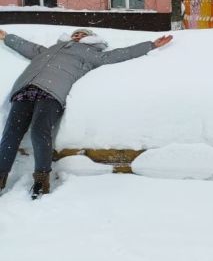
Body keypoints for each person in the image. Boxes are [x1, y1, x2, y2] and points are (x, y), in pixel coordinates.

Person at [0, 27, 172, 198]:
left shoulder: (92, 53)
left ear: (91, 39)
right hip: (26, 89)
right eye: (75, 34)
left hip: (52, 92)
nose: (77, 36)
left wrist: (150, 45)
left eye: (83, 35)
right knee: (11, 134)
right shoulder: (51, 49)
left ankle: (41, 179)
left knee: (39, 130)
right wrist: (7, 37)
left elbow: (120, 54)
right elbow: (28, 47)